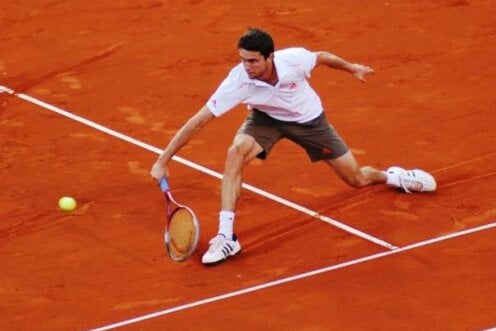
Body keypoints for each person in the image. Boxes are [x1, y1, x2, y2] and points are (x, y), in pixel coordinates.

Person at [150, 28, 436, 265]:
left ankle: (395, 177)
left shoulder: (295, 60)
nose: (246, 67)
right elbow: (199, 121)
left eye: (252, 61)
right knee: (235, 152)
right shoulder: (237, 81)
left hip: (310, 121)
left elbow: (322, 57)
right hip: (266, 119)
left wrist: (351, 68)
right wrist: (163, 159)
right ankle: (226, 237)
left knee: (357, 179)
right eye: (242, 60)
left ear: (270, 57)